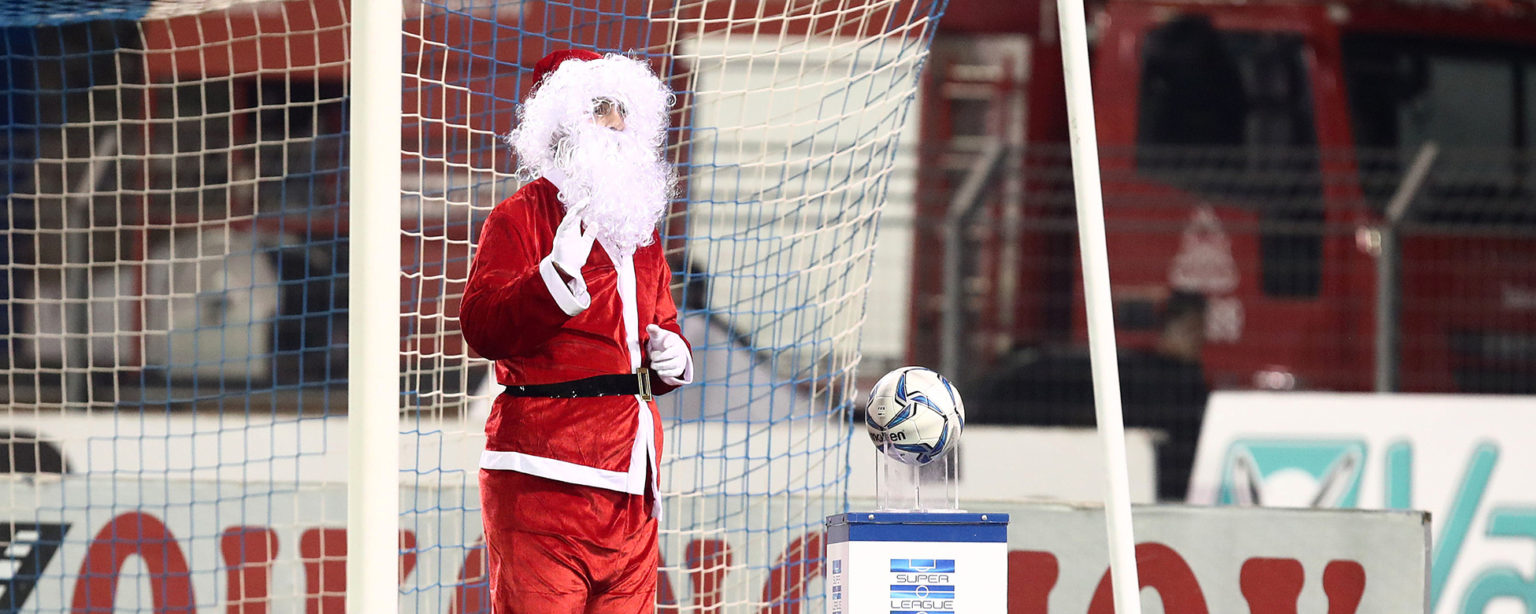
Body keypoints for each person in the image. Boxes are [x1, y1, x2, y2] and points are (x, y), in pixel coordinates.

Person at [458, 49, 693, 612]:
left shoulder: (639, 229)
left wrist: (674, 356)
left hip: (633, 487)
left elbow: (660, 323)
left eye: (623, 109)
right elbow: (482, 326)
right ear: (561, 121)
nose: (616, 123)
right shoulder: (520, 216)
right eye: (601, 108)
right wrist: (552, 279)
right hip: (544, 482)